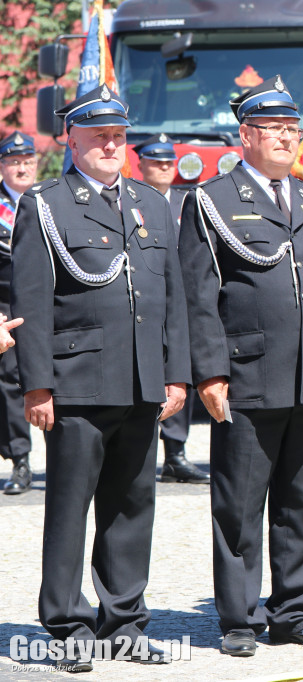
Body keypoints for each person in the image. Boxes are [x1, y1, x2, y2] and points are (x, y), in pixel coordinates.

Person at [177, 75, 303, 656]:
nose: (287, 139)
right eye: (274, 130)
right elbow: (199, 294)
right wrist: (209, 372)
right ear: (246, 136)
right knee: (239, 505)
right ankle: (239, 617)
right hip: (248, 375)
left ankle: (296, 612)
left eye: (293, 129)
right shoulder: (211, 200)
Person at [11, 84, 190, 670]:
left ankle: (125, 621)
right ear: (72, 139)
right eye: (98, 137)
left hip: (141, 383)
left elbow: (172, 299)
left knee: (132, 506)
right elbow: (32, 302)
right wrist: (37, 385)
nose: (111, 146)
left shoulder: (151, 203)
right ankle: (66, 624)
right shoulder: (47, 204)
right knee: (69, 508)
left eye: (118, 136)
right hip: (77, 383)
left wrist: (176, 375)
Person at [133, 133, 209, 482]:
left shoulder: (189, 200)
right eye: (156, 161)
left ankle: (176, 452)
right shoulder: (132, 201)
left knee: (181, 371)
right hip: (146, 299)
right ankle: (141, 447)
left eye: (168, 161)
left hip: (185, 300)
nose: (164, 166)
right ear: (142, 164)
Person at [0, 131, 35, 494]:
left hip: (51, 301)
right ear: (2, 167)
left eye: (27, 161)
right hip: (5, 304)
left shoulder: (48, 199)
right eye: (14, 162)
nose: (22, 168)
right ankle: (20, 460)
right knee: (10, 379)